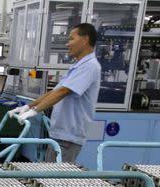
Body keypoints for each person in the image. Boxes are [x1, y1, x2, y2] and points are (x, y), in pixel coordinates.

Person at [9, 23, 101, 163]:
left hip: (68, 137)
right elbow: (55, 92)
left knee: (53, 181)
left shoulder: (90, 66)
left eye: (71, 39)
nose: (67, 44)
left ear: (85, 39)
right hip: (61, 135)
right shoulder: (78, 66)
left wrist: (36, 110)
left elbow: (63, 91)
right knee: (49, 178)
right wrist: (28, 107)